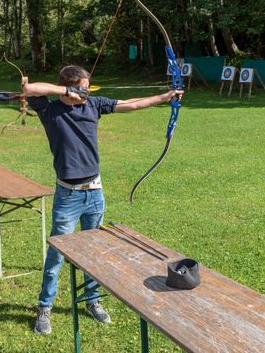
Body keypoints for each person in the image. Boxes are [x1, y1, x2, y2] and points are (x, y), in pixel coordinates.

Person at [24, 65, 183, 335]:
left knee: (93, 253)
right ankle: (44, 307)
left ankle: (92, 301)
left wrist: (163, 97)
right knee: (56, 255)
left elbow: (131, 105)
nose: (88, 91)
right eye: (83, 87)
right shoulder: (50, 110)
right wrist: (67, 91)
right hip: (68, 195)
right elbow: (30, 89)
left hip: (95, 192)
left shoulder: (93, 104)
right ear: (71, 87)